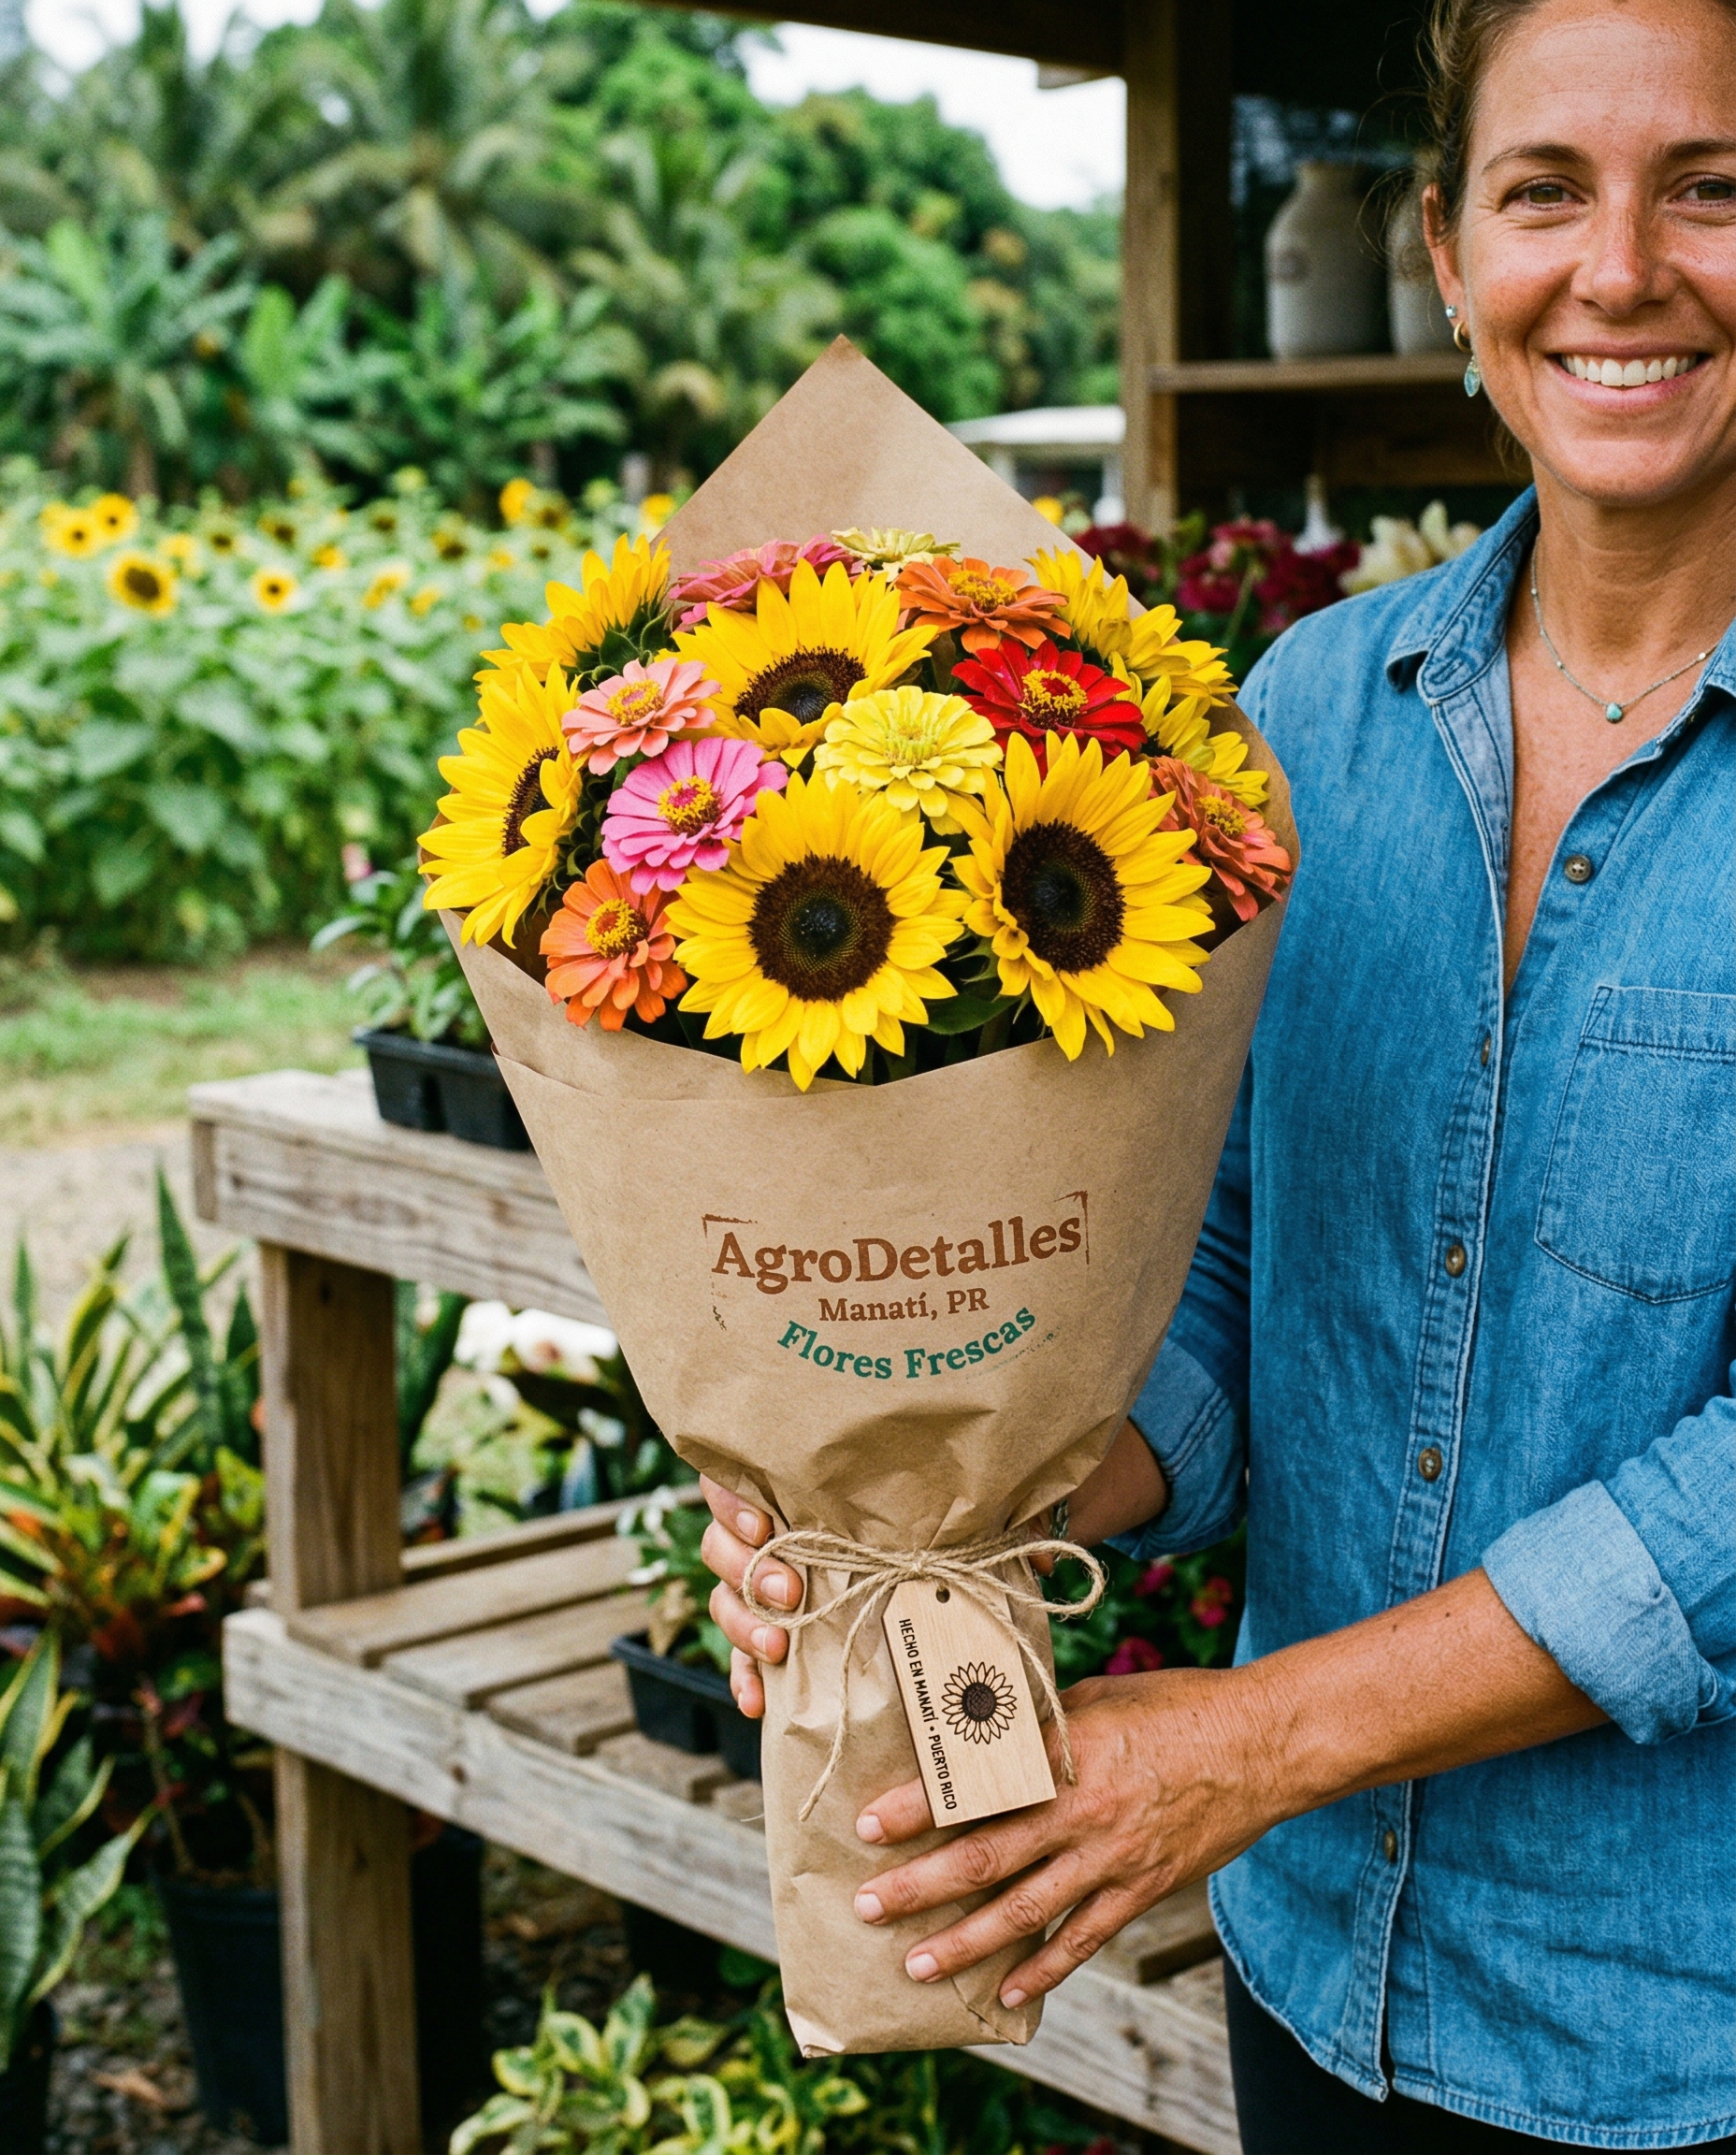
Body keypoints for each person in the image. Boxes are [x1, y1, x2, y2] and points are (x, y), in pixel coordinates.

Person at [697, 0, 1736, 2143]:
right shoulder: (1313, 714)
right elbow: (1225, 1284)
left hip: (1679, 2034)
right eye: (1543, 189)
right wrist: (919, 1503)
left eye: (1713, 188)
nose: (1620, 268)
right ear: (1444, 253)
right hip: (1315, 1973)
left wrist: (1252, 1737)